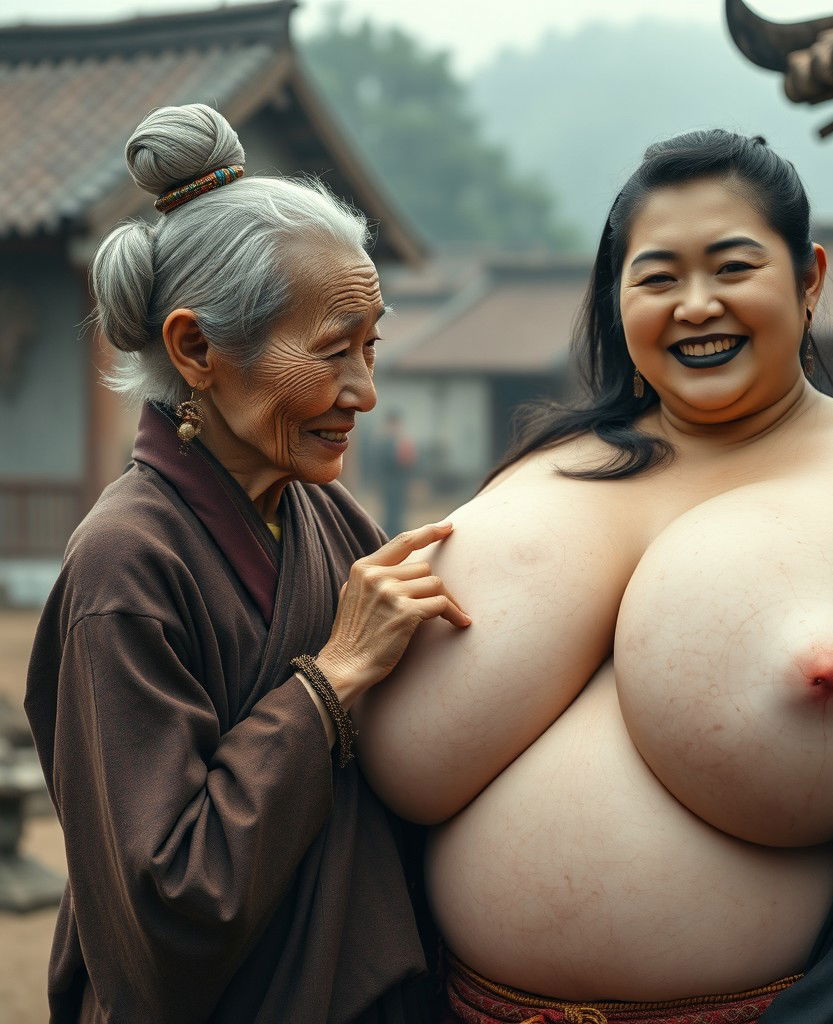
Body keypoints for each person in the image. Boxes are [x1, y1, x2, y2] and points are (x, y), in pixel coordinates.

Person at [355, 130, 833, 1023]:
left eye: (732, 267)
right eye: (659, 278)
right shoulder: (538, 469)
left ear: (809, 276)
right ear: (617, 298)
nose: (696, 305)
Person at [24, 103, 471, 1024]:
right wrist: (331, 681)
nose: (366, 392)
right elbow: (169, 903)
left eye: (372, 347)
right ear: (197, 349)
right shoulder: (124, 568)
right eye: (332, 351)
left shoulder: (320, 510)